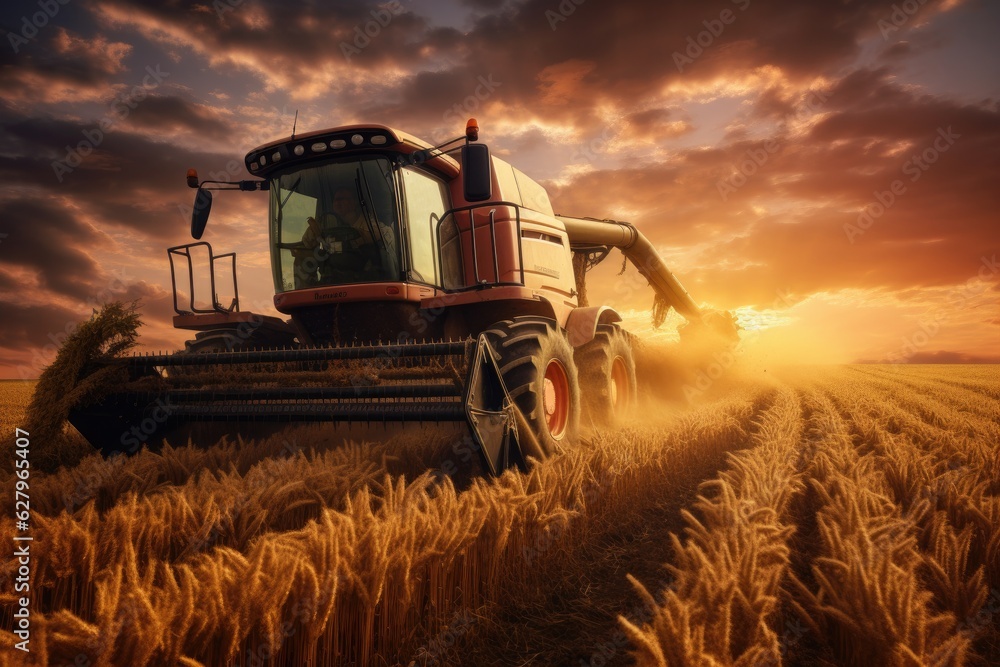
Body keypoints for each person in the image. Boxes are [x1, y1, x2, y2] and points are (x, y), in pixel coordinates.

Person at [293, 187, 398, 287]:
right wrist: (313, 232)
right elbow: (307, 243)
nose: (338, 202)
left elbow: (386, 235)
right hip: (334, 280)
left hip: (363, 281)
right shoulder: (327, 223)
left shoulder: (369, 223)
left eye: (343, 199)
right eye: (336, 199)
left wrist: (359, 238)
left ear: (354, 203)